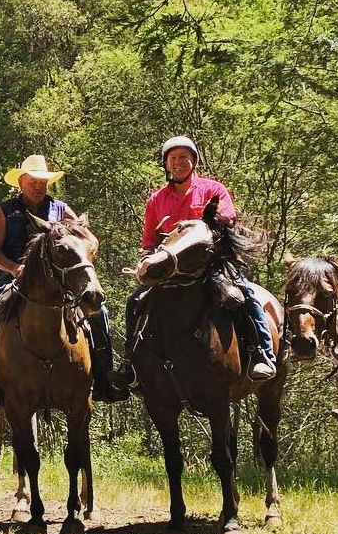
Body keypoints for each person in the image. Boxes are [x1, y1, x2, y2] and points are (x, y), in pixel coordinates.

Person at [110, 135, 276, 391]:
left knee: (245, 294)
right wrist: (146, 260)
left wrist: (209, 222)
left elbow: (228, 219)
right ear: (166, 164)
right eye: (173, 158)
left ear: (194, 161)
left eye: (184, 157)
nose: (179, 163)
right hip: (170, 269)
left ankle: (261, 353)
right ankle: (130, 365)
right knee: (135, 302)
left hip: (210, 264)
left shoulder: (213, 189)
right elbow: (148, 241)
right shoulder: (156, 200)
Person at [0, 155, 128, 409]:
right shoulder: (5, 211)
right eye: (33, 181)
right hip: (15, 278)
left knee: (100, 313)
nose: (38, 185)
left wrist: (81, 259)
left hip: (59, 280)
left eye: (42, 181)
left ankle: (104, 378)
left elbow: (89, 239)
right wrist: (13, 268)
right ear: (21, 182)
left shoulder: (61, 210)